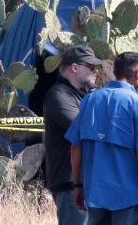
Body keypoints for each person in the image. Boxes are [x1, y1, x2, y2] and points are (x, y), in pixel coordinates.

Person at [66, 51, 138, 225]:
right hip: (128, 196)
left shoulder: (89, 100)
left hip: (95, 192)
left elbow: (76, 147)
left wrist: (77, 185)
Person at [44, 46, 102, 225]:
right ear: (74, 68)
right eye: (91, 67)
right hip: (69, 183)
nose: (96, 71)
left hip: (84, 182)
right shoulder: (58, 96)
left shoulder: (81, 96)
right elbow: (87, 130)